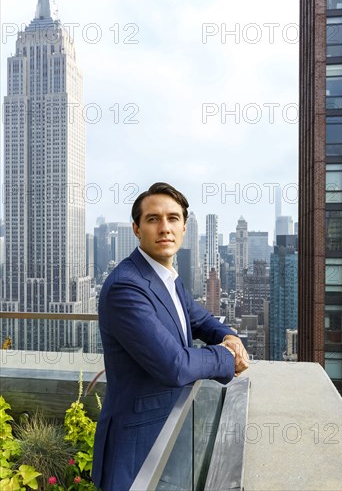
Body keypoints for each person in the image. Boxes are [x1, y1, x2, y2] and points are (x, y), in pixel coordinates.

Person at [92, 182, 249, 490]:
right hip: (136, 447)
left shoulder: (166, 278)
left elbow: (200, 319)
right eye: (153, 219)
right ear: (137, 229)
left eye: (173, 218)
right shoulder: (126, 286)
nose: (164, 227)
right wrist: (227, 357)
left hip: (172, 430)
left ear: (184, 227)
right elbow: (173, 365)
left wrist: (229, 336)